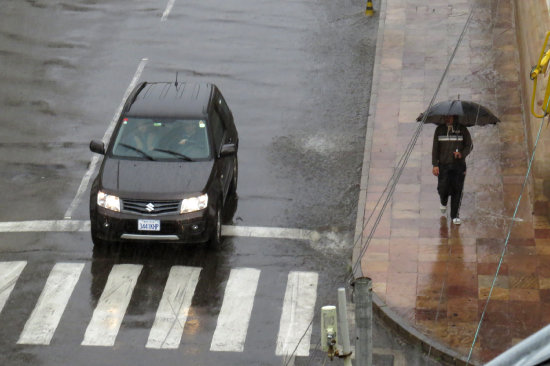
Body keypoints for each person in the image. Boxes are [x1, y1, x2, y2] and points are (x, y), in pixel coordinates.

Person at [432, 115, 473, 225]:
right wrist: (435, 164)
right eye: (445, 117)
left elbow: (469, 145)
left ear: (454, 117)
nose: (447, 119)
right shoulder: (439, 130)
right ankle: (443, 200)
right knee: (443, 188)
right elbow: (435, 148)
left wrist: (461, 154)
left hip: (458, 166)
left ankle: (455, 215)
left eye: (449, 117)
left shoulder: (462, 130)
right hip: (443, 165)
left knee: (457, 190)